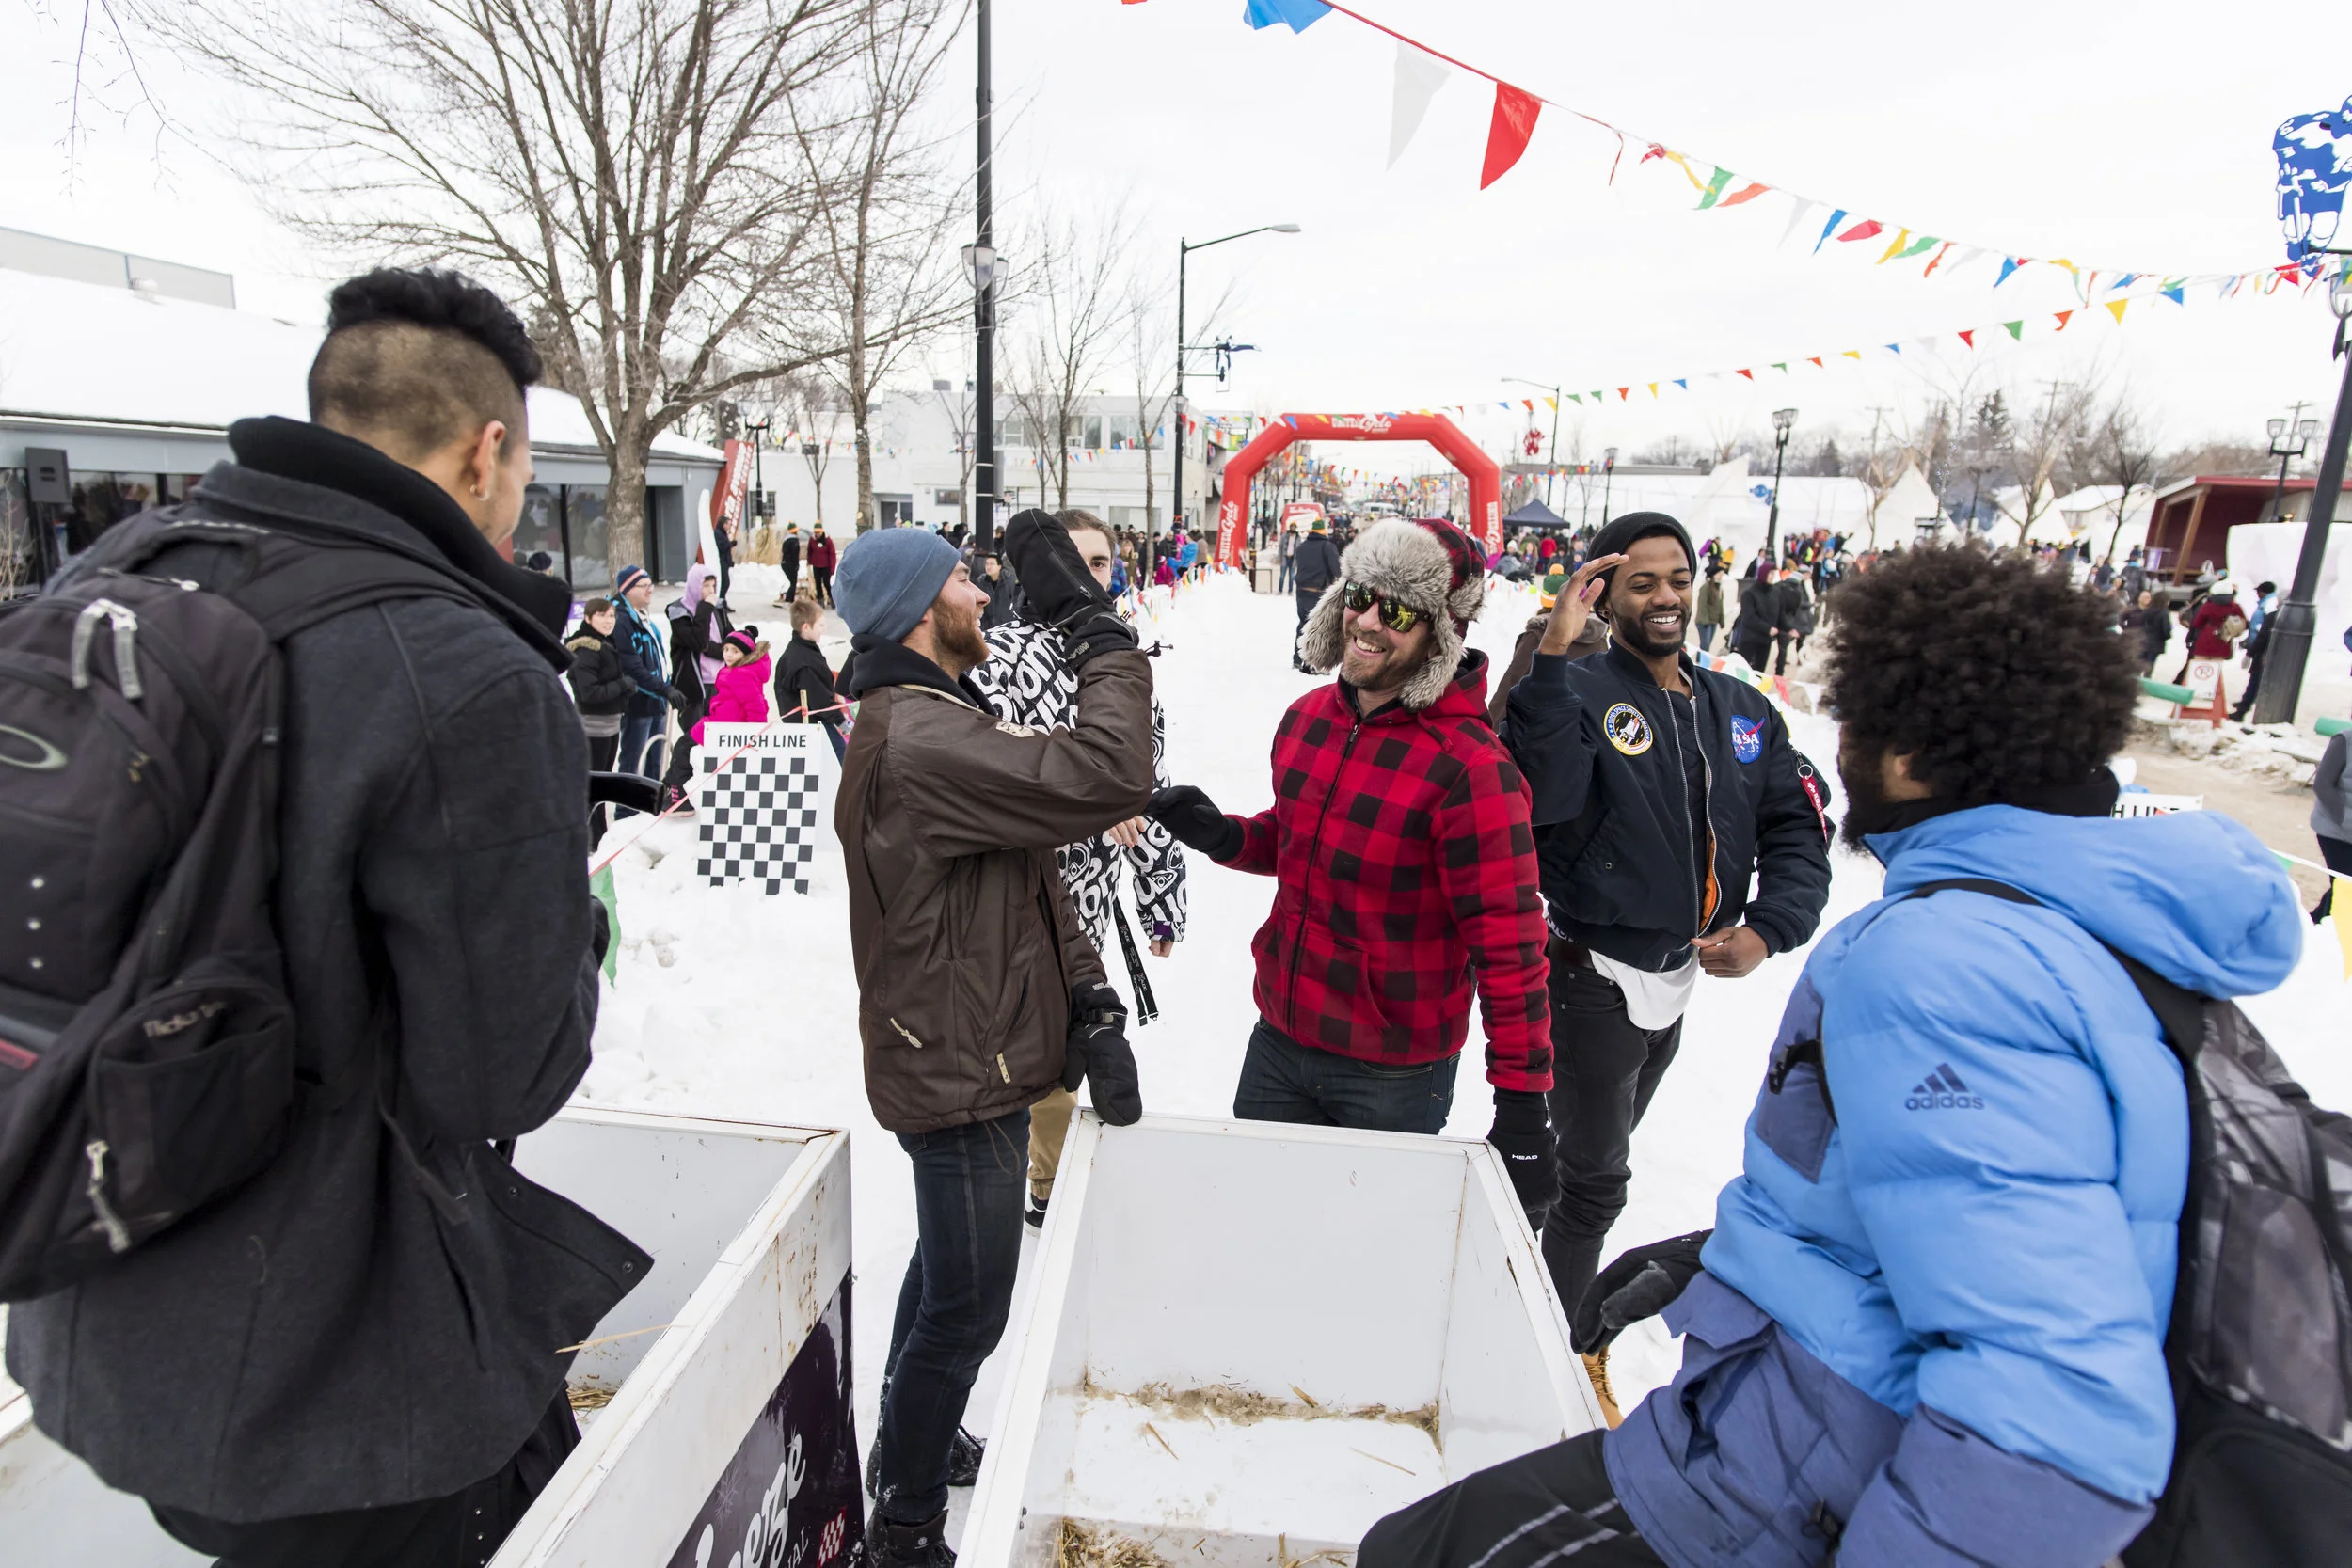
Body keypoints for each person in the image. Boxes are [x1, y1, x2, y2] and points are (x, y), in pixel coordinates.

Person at [1367, 544, 2301, 1568]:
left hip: (1778, 1490)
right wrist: (1724, 1265)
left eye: (1859, 716)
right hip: (1801, 1418)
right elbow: (2022, 1212)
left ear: (1909, 745)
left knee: (1416, 1548)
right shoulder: (2100, 919)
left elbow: (2050, 1418)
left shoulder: (1945, 961)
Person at [6, 267, 634, 1565]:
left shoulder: (113, 577)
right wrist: (578, 926)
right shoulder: (466, 670)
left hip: (103, 1303)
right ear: (489, 450)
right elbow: (504, 1071)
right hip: (348, 1388)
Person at [835, 515, 1154, 1568]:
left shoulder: (937, 712)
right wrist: (1093, 626)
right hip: (959, 1066)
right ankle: (906, 1524)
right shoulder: (920, 736)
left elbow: (1031, 863)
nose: (983, 594)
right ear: (923, 611)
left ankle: (901, 1452)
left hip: (983, 1043)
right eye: (965, 583)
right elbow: (1108, 775)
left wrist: (1090, 998)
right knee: (969, 1306)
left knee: (946, 1272)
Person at [1501, 512, 1834, 1422]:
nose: (1665, 597)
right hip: (1588, 970)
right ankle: (1552, 1364)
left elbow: (1797, 824)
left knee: (1580, 1172)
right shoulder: (1571, 687)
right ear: (1602, 592)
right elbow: (1547, 802)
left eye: (1676, 577)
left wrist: (1768, 925)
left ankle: (1512, 1298)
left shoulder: (1738, 707)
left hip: (1674, 976)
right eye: (1640, 580)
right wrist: (1553, 662)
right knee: (1594, 1180)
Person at [1149, 519, 1559, 1225]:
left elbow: (1510, 949)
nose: (1368, 621)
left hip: (1392, 1074)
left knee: (1358, 1259)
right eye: (1361, 595)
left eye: (1398, 610)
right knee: (1257, 1227)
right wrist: (1224, 836)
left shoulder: (1472, 769)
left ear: (1445, 629)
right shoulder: (1308, 719)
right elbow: (1298, 840)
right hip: (1280, 1040)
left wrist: (1523, 1100)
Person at [969, 510, 1188, 1229]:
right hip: (1009, 894)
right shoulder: (996, 654)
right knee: (1014, 1056)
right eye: (1079, 561)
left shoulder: (1120, 659)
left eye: (1103, 563)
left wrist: (1163, 894)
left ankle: (1046, 1186)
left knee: (1067, 1049)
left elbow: (1150, 788)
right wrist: (1088, 796)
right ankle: (1006, 1191)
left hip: (1088, 907)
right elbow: (980, 769)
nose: (1093, 576)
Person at [659, 562, 733, 810]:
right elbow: (697, 640)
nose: (711, 591)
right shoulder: (680, 612)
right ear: (694, 587)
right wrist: (705, 609)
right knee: (692, 738)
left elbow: (730, 641)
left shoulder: (716, 608)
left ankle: (697, 790)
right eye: (705, 586)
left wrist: (723, 649)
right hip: (694, 687)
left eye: (713, 585)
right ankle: (675, 790)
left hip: (720, 683)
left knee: (712, 740)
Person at [566, 596, 637, 840]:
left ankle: (599, 835)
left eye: (612, 616)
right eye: (602, 615)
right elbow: (589, 693)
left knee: (602, 784)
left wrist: (624, 689)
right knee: (594, 786)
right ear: (588, 618)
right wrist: (621, 685)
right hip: (593, 729)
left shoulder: (604, 643)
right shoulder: (586, 648)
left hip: (608, 725)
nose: (609, 621)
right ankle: (591, 839)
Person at [612, 563, 686, 792]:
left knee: (656, 761)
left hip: (656, 701)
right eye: (643, 586)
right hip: (638, 703)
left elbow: (656, 658)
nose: (650, 590)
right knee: (633, 761)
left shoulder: (641, 616)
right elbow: (632, 666)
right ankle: (627, 812)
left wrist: (668, 685)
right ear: (628, 590)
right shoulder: (621, 620)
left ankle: (650, 806)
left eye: (650, 585)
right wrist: (664, 689)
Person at [777, 597, 847, 758]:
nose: (824, 629)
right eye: (820, 625)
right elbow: (821, 703)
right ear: (806, 627)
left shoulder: (799, 649)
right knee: (840, 756)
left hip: (805, 724)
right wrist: (846, 725)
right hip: (812, 726)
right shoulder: (805, 663)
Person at [691, 626, 771, 740]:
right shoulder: (733, 671)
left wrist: (756, 735)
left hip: (730, 729)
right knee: (688, 741)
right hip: (725, 726)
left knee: (685, 744)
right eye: (726, 649)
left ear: (745, 655)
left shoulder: (741, 675)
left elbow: (755, 706)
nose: (728, 654)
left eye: (735, 651)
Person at [1289, 518, 1343, 670]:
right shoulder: (1327, 547)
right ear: (1323, 531)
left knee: (1303, 623)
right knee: (1317, 626)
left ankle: (1297, 658)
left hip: (1301, 591)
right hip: (1317, 591)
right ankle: (1312, 663)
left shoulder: (1302, 547)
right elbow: (1337, 570)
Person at [2312, 723, 2352, 922]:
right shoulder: (2345, 740)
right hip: (2335, 832)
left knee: (2343, 886)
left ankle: (2316, 923)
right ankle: (2324, 925)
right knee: (2345, 885)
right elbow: (2323, 784)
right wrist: (2344, 819)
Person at [2232, 578, 2281, 721]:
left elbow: (2263, 633)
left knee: (2256, 680)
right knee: (2258, 681)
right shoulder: (2271, 608)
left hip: (2263, 652)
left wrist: (2251, 651)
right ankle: (2246, 704)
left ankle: (2243, 709)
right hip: (2268, 652)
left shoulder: (2270, 609)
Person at [1730, 562, 1778, 670]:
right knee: (1743, 670)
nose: (1772, 577)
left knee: (1759, 671)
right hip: (1750, 639)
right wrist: (1767, 628)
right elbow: (1749, 617)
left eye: (1774, 574)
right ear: (1763, 574)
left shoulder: (1774, 592)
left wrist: (1788, 628)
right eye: (1770, 573)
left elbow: (1778, 613)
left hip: (1765, 640)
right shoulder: (1749, 593)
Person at [977, 551, 1023, 630]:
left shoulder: (1010, 581)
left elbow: (1017, 604)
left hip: (1006, 627)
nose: (988, 567)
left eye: (992, 564)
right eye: (986, 564)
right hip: (988, 628)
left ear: (999, 566)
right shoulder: (981, 583)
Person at [1692, 563, 1724, 653]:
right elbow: (1702, 605)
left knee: (1708, 645)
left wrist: (1721, 620)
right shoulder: (1705, 587)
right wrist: (1704, 621)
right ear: (1713, 575)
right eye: (1719, 574)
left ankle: (1703, 663)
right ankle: (1700, 664)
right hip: (1704, 622)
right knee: (1705, 646)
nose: (1721, 577)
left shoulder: (1719, 588)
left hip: (1713, 621)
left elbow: (1720, 606)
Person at [806, 522, 837, 606]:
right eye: (816, 533)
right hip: (816, 565)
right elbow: (809, 551)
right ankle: (820, 600)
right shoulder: (812, 540)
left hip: (826, 566)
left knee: (826, 583)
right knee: (818, 583)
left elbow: (832, 554)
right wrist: (809, 561)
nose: (817, 534)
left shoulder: (827, 540)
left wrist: (832, 568)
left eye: (819, 533)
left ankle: (832, 598)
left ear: (822, 532)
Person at [775, 522, 803, 606]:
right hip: (790, 564)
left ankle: (789, 598)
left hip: (784, 563)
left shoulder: (786, 540)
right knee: (793, 582)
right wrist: (796, 565)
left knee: (792, 582)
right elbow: (794, 555)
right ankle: (789, 599)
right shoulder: (794, 541)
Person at [1278, 521, 1299, 592]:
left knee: (1292, 576)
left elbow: (1299, 549)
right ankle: (1280, 590)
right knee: (1282, 576)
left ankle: (1290, 590)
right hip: (1285, 558)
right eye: (1291, 526)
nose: (1293, 528)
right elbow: (1280, 547)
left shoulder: (1298, 537)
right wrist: (1279, 558)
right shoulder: (1285, 536)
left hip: (1293, 559)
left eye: (1294, 526)